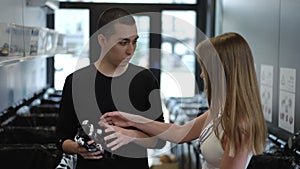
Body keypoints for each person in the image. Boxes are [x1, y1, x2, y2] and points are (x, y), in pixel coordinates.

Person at [100, 32, 268, 169]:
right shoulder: (221, 112)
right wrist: (131, 119)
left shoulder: (239, 126)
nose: (202, 75)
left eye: (205, 68)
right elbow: (179, 133)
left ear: (221, 71)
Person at [55, 7, 165, 169]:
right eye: (123, 42)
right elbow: (62, 138)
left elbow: (159, 140)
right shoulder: (76, 81)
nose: (131, 50)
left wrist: (131, 135)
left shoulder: (145, 80)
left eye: (135, 41)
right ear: (102, 40)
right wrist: (77, 148)